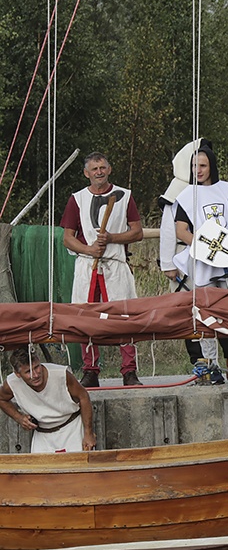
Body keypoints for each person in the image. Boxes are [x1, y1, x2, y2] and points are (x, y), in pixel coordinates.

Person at [173, 140, 228, 380]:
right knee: (207, 315)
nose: (198, 170)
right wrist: (205, 247)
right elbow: (182, 230)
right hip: (203, 264)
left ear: (211, 166)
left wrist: (224, 244)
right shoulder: (186, 195)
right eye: (194, 166)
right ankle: (211, 367)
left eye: (202, 165)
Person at [61, 152, 143, 388]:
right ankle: (90, 370)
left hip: (115, 267)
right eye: (94, 169)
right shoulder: (77, 199)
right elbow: (68, 238)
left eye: (102, 167)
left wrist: (112, 238)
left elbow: (136, 232)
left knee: (124, 317)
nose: (99, 172)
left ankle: (129, 371)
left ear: (109, 169)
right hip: (88, 268)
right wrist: (88, 250)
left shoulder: (124, 196)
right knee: (86, 318)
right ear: (87, 173)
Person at [159, 141, 204, 367]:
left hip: (210, 257)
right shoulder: (176, 194)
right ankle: (199, 361)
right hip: (183, 255)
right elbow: (168, 228)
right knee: (189, 312)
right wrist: (168, 263)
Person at [0, 347, 96, 453]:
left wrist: (88, 433)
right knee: (41, 469)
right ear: (17, 374)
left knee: (79, 467)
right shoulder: (12, 383)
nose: (35, 375)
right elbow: (1, 399)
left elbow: (84, 397)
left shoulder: (60, 374)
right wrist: (19, 417)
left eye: (37, 367)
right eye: (28, 372)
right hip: (42, 435)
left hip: (72, 429)